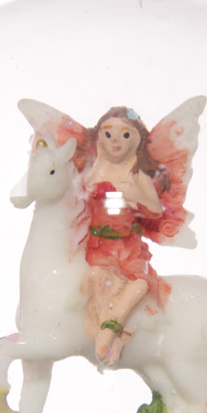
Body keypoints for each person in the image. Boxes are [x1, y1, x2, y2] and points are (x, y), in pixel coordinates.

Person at [81, 107, 170, 366]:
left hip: (128, 246)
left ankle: (111, 331)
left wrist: (133, 198)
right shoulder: (92, 173)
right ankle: (110, 335)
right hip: (99, 245)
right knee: (96, 278)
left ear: (137, 139)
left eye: (125, 135)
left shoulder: (136, 174)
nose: (116, 141)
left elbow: (156, 210)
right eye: (108, 135)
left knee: (140, 284)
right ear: (98, 138)